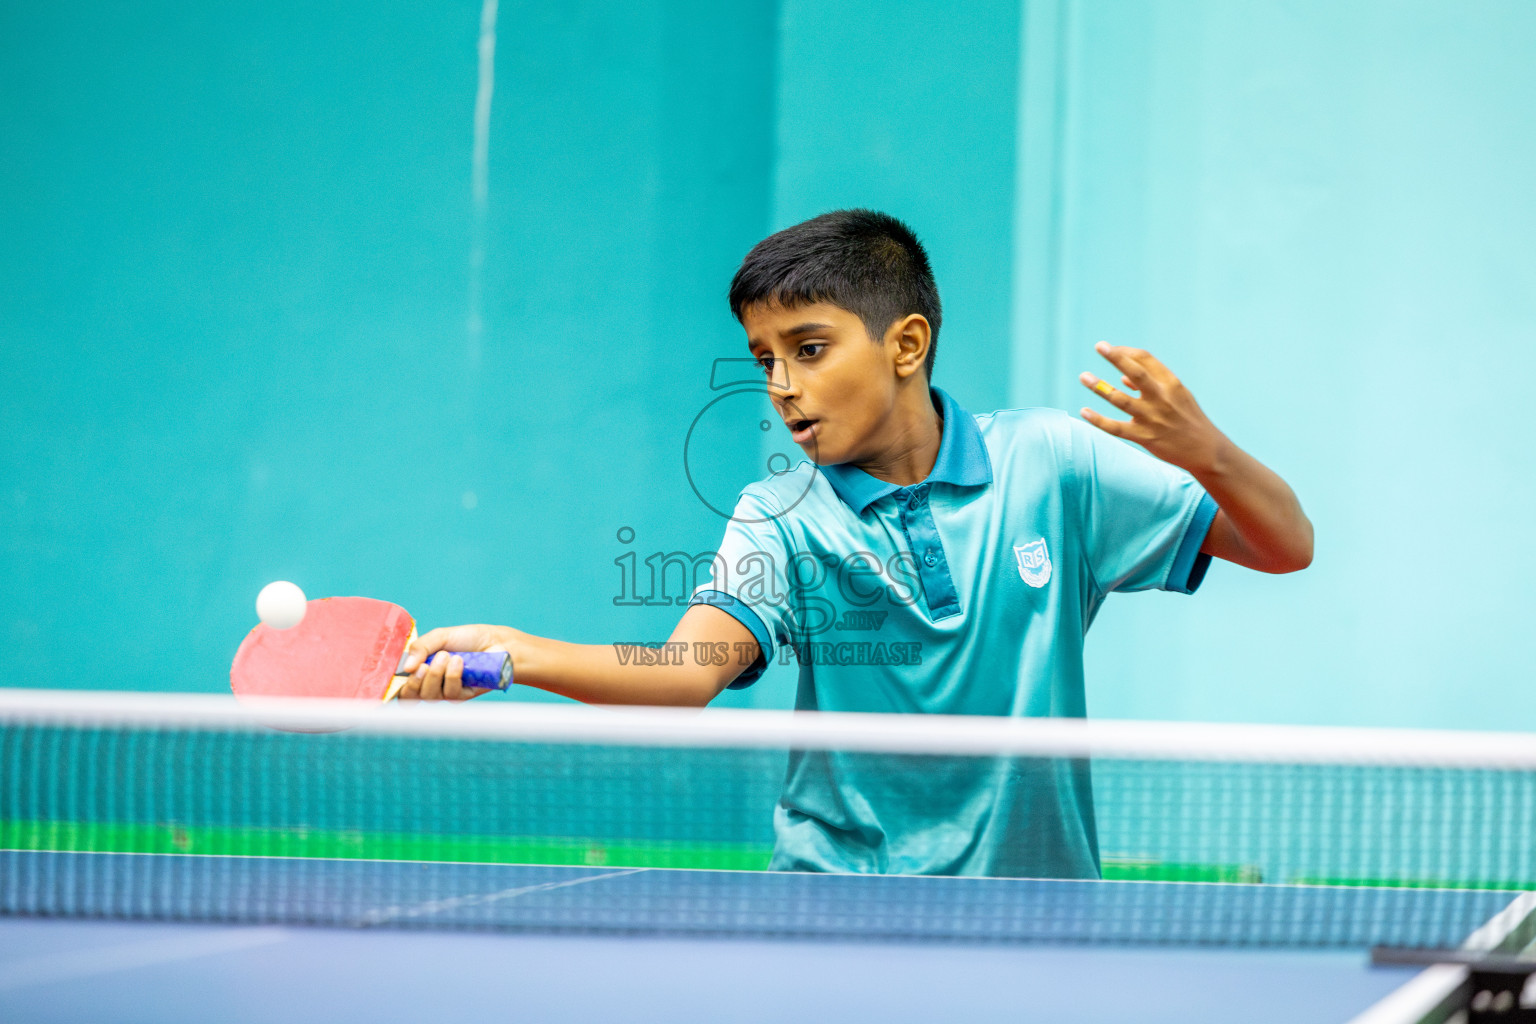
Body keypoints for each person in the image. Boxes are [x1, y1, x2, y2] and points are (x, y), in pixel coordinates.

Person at [397, 209, 1313, 877]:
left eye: (809, 348)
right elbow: (683, 676)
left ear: (905, 345)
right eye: (764, 359)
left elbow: (1284, 546)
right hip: (837, 901)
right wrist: (514, 653)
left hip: (1038, 902)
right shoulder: (780, 513)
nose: (781, 385)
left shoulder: (1052, 463)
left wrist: (1208, 453)